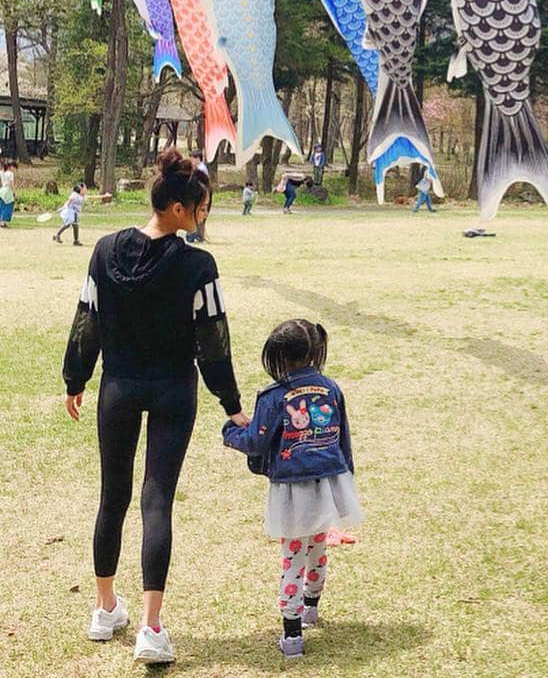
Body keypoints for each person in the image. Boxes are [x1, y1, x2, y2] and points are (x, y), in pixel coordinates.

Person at [61, 149, 248, 666]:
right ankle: (150, 627)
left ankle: (104, 611)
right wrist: (232, 404)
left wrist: (75, 378)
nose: (205, 217)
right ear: (180, 208)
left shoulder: (104, 251)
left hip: (117, 387)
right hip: (173, 390)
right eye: (203, 208)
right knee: (156, 499)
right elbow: (214, 342)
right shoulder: (197, 265)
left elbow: (87, 318)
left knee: (112, 496)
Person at [222, 318, 360, 659]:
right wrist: (347, 479)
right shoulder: (331, 388)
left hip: (292, 489)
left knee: (292, 558)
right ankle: (311, 608)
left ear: (279, 357)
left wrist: (230, 432)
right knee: (317, 548)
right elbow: (344, 440)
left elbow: (256, 441)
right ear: (315, 350)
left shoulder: (274, 396)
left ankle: (292, 635)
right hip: (328, 481)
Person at [0, 160, 15, 225]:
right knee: (8, 206)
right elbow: (11, 184)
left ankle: (1, 221)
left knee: (2, 206)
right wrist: (14, 192)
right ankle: (4, 221)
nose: (14, 169)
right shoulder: (11, 174)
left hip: (2, 190)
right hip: (8, 191)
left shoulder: (2, 172)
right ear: (10, 166)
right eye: (14, 167)